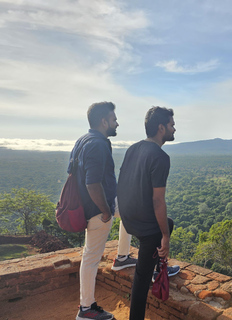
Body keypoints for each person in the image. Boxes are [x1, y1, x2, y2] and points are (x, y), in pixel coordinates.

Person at [70, 102, 136, 320]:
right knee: (90, 258)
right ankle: (86, 308)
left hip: (98, 204)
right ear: (104, 121)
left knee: (131, 208)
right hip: (97, 209)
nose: (117, 123)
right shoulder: (98, 144)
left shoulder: (83, 140)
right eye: (114, 119)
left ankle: (123, 257)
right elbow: (92, 184)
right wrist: (106, 212)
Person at [117, 106, 177, 320]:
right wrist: (165, 239)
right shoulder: (160, 157)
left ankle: (156, 266)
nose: (174, 129)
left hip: (128, 218)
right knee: (141, 279)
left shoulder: (133, 148)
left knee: (168, 223)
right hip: (145, 226)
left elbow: (122, 183)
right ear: (161, 128)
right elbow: (158, 200)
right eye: (171, 125)